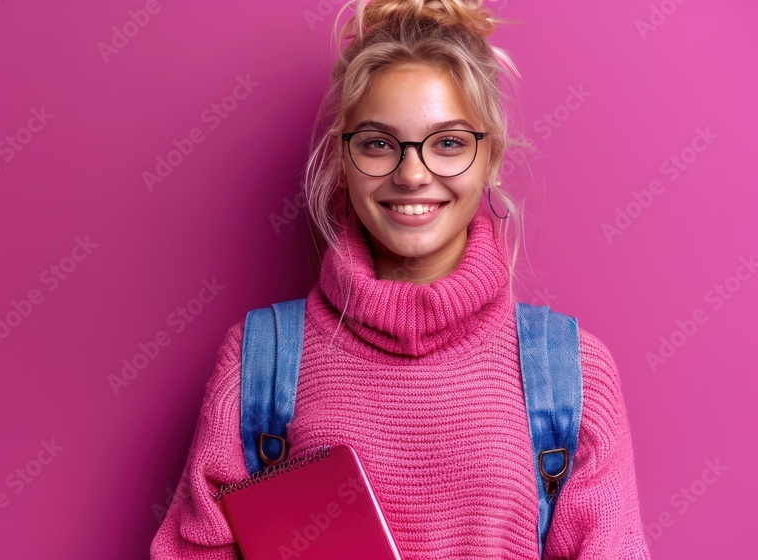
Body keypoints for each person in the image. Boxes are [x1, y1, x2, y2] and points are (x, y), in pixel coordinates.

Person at [150, 0, 651, 557]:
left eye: (450, 143)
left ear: (492, 158)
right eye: (378, 143)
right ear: (343, 159)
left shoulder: (572, 376)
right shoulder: (259, 364)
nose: (412, 174)